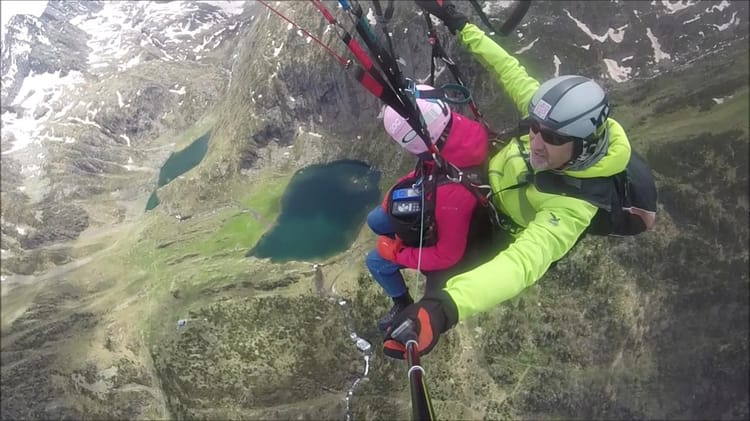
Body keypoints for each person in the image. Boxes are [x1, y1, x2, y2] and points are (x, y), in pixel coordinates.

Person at [382, 0, 637, 359]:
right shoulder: (556, 121)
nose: (536, 141)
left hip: (495, 225)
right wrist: (458, 22)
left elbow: (520, 264)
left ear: (585, 146)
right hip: (487, 175)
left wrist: (444, 309)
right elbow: (507, 67)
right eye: (533, 128)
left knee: (438, 280)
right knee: (400, 211)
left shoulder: (574, 207)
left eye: (551, 138)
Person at [365, 84, 489, 333]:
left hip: (452, 228)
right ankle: (398, 237)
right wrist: (398, 190)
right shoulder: (458, 129)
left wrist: (396, 254)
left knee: (375, 261)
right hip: (440, 200)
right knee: (376, 220)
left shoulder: (452, 194)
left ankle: (402, 304)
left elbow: (447, 255)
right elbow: (435, 168)